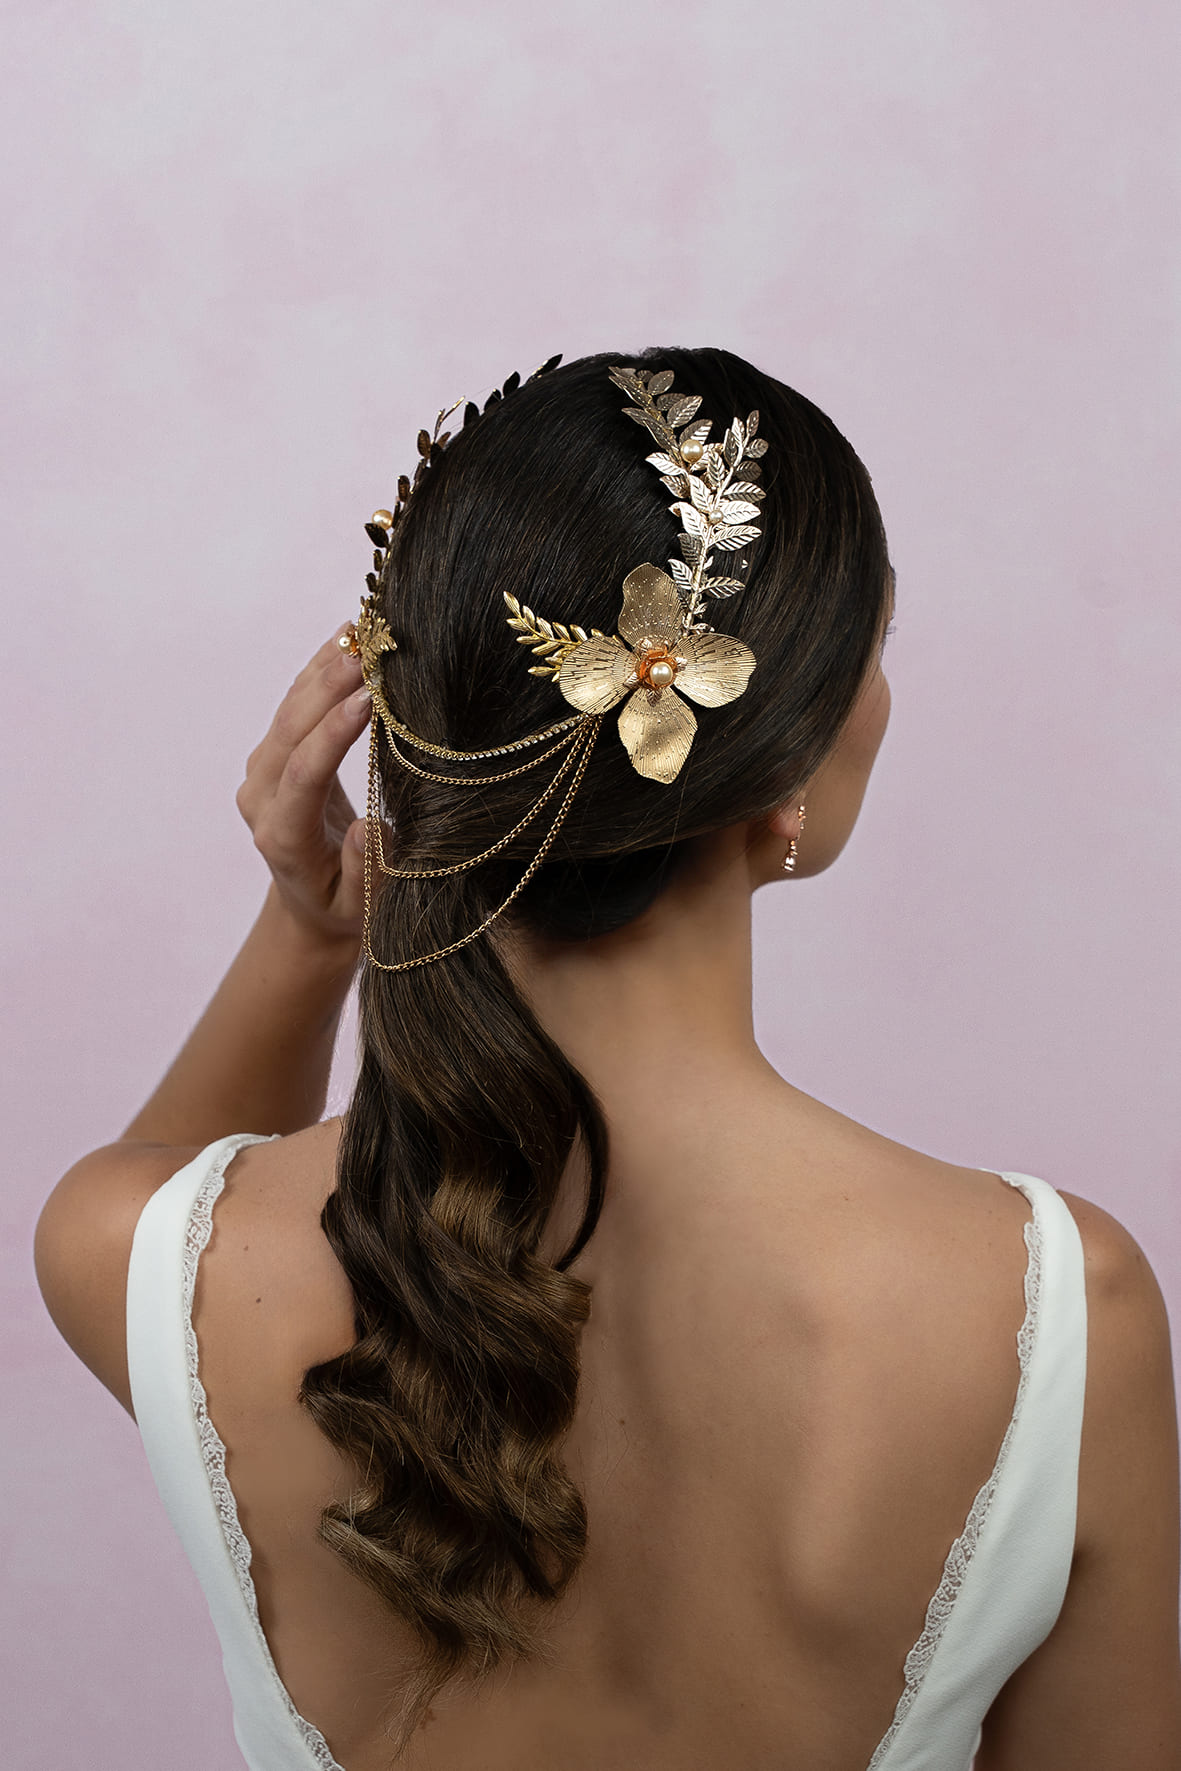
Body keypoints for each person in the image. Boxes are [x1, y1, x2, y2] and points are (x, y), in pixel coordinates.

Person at [35, 348, 1181, 1771]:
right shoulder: (1054, 1317)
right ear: (784, 758)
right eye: (872, 649)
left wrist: (314, 928)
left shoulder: (150, 1256)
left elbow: (174, 1204)